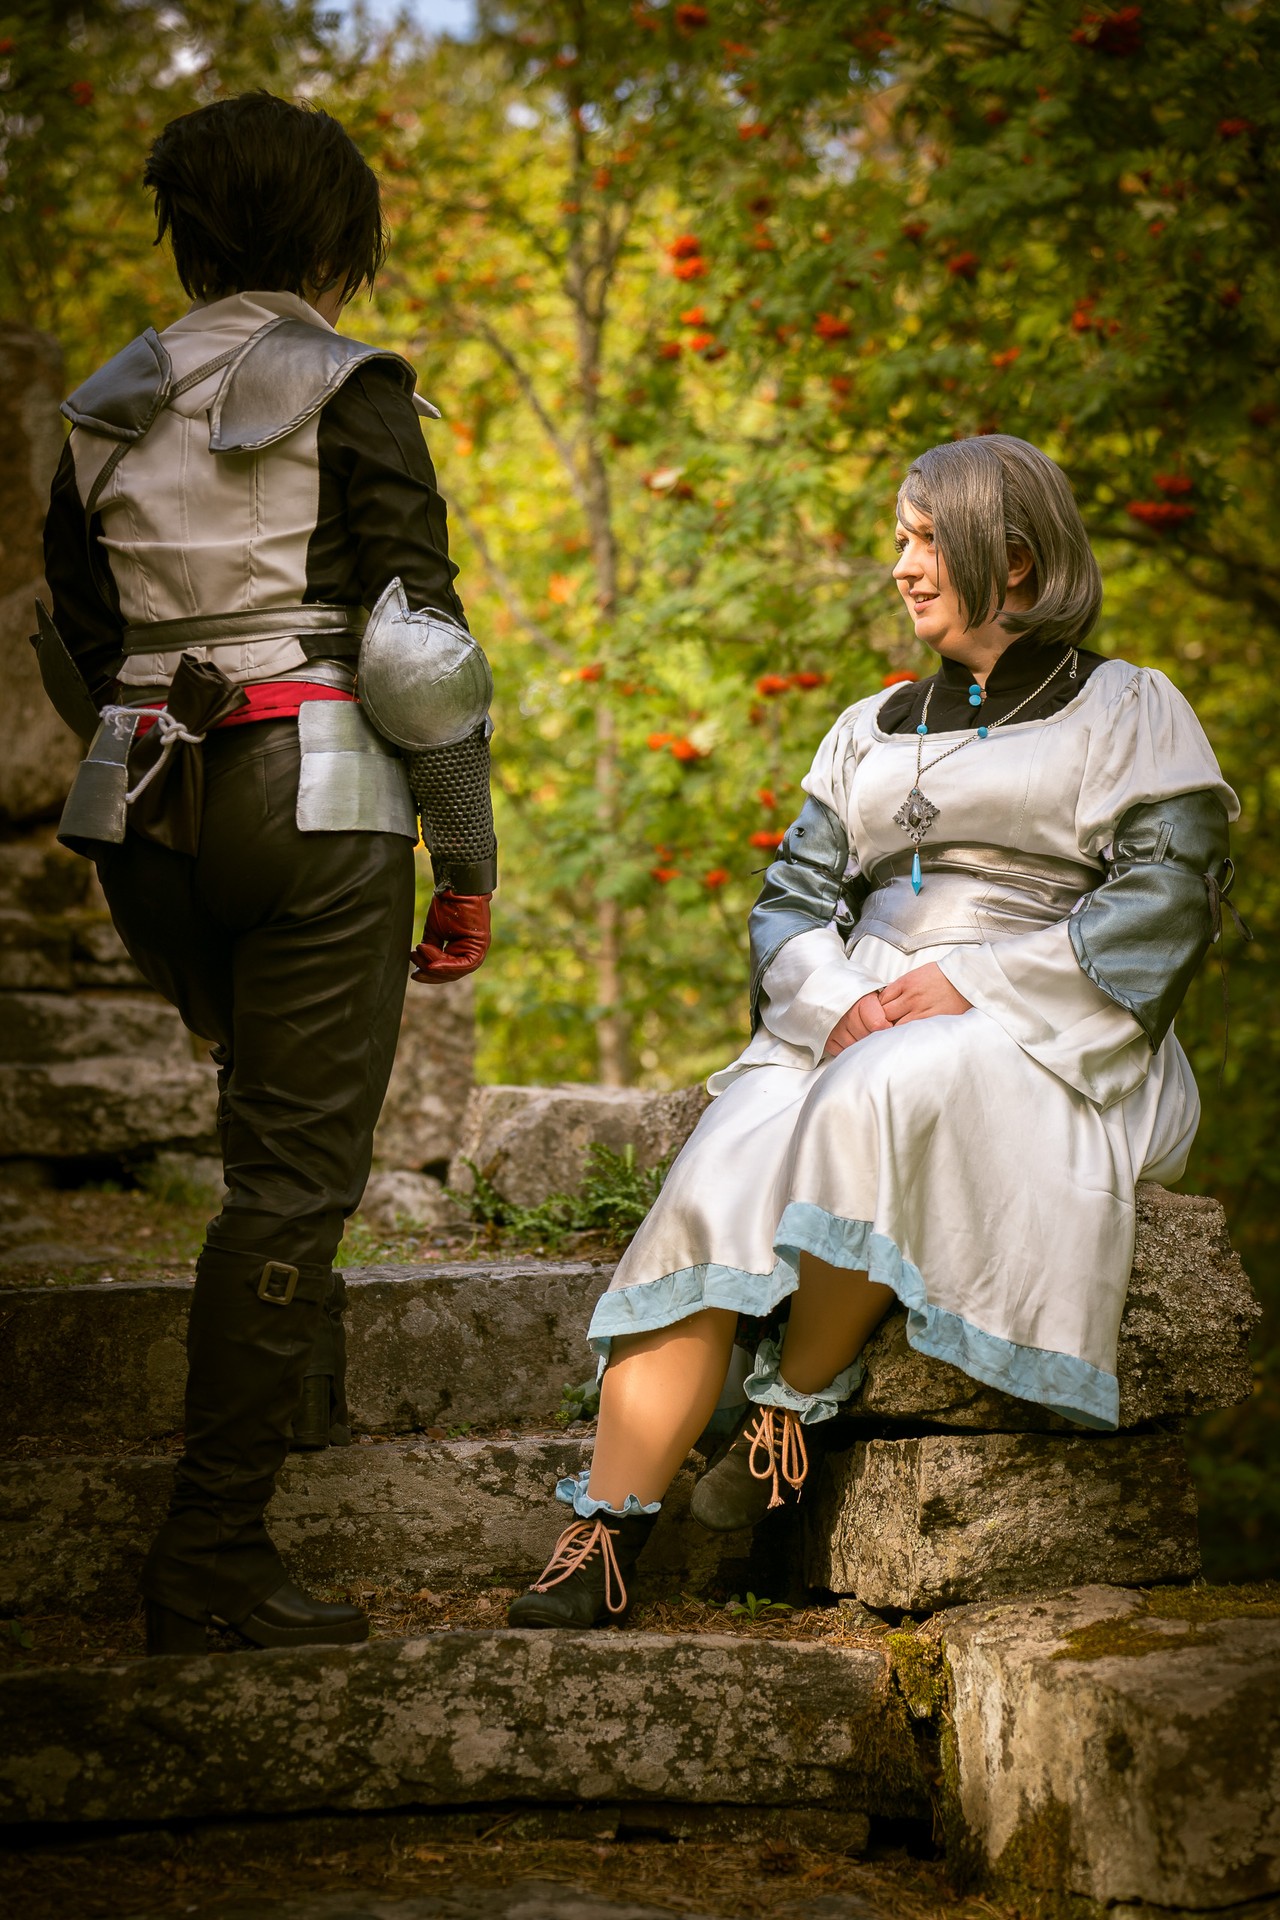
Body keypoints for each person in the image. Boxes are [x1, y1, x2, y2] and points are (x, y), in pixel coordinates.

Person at [507, 433, 1237, 1630]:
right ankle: (604, 1529)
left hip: (1038, 1020)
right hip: (857, 1004)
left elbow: (1164, 896)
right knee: (720, 1165)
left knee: (876, 1090)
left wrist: (977, 982)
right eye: (898, 539)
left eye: (923, 540)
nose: (899, 565)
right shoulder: (865, 724)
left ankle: (784, 1410)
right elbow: (792, 898)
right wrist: (828, 997)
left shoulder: (1127, 707)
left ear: (1012, 561)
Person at [37, 93, 497, 1655]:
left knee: (265, 1133)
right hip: (317, 799)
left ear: (184, 231)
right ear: (329, 236)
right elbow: (419, 649)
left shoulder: (104, 408)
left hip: (141, 806)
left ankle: (288, 1397)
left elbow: (77, 641)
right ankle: (214, 1549)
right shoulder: (352, 387)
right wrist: (466, 856)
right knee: (292, 1182)